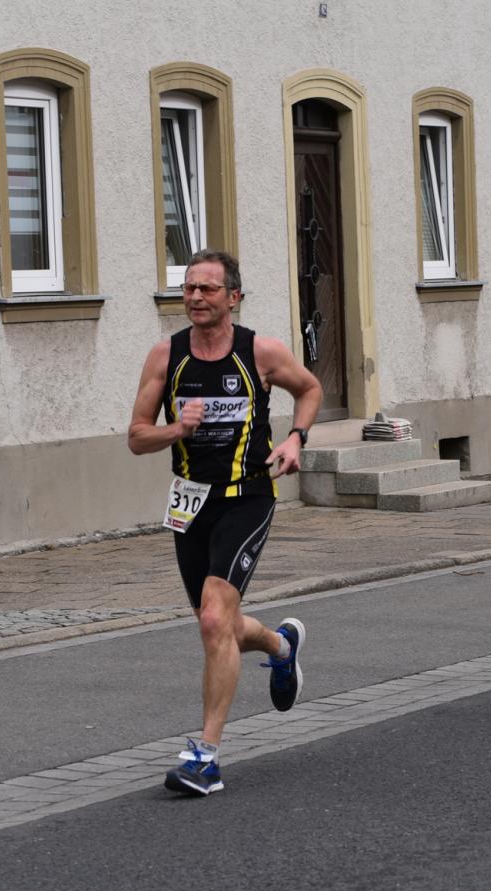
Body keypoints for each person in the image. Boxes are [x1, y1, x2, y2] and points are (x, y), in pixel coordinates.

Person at [128, 249, 323, 795]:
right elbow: (137, 436)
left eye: (208, 288)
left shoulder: (260, 351)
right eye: (189, 287)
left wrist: (296, 438)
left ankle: (205, 758)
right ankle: (281, 647)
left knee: (215, 618)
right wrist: (177, 430)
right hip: (190, 503)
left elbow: (310, 389)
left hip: (247, 497)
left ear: (233, 297)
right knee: (218, 624)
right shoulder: (166, 357)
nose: (196, 297)